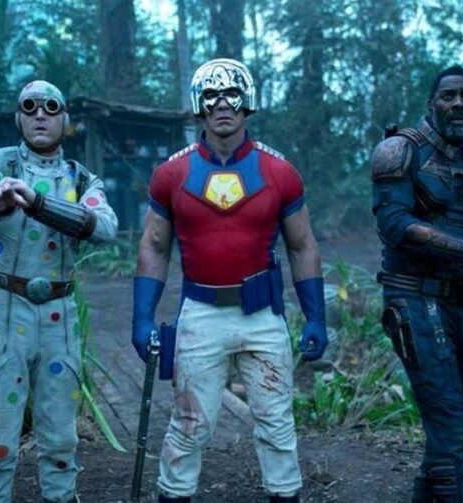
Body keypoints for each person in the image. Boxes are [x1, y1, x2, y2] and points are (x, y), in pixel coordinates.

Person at [131, 58, 327, 503]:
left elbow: (302, 245)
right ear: (199, 105)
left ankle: (284, 495)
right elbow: (154, 246)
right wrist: (141, 318)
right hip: (199, 315)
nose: (223, 104)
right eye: (212, 96)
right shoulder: (171, 174)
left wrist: (316, 316)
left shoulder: (280, 172)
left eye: (232, 95)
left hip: (263, 314)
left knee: (277, 423)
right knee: (189, 424)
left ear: (247, 103)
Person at [0, 80, 118, 502]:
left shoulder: (80, 178)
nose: (40, 114)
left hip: (58, 316)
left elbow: (104, 226)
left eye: (51, 106)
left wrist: (37, 203)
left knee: (61, 438)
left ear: (65, 119)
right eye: (29, 107)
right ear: (18, 118)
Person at [370, 65, 463, 502]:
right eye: (448, 95)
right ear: (431, 103)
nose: (458, 104)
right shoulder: (399, 151)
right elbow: (396, 226)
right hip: (413, 298)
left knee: (459, 417)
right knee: (449, 416)